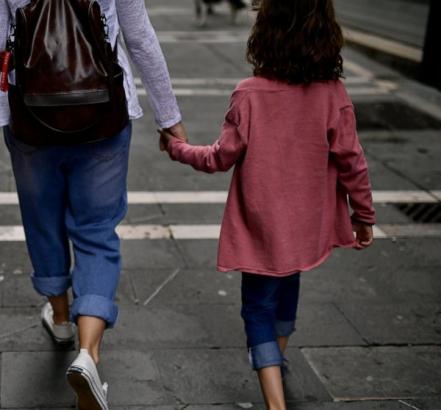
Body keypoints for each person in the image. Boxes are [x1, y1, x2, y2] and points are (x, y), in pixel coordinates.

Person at [0, 0, 185, 407]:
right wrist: (168, 118)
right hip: (103, 114)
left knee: (42, 219)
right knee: (97, 232)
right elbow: (140, 38)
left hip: (32, 118)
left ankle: (61, 318)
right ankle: (89, 352)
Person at [159, 0, 376, 409]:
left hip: (260, 225)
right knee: (288, 282)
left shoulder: (249, 94)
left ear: (266, 32)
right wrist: (363, 215)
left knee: (256, 308)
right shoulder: (334, 93)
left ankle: (274, 397)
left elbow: (218, 158)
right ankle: (275, 357)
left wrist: (177, 148)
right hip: (305, 225)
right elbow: (353, 160)